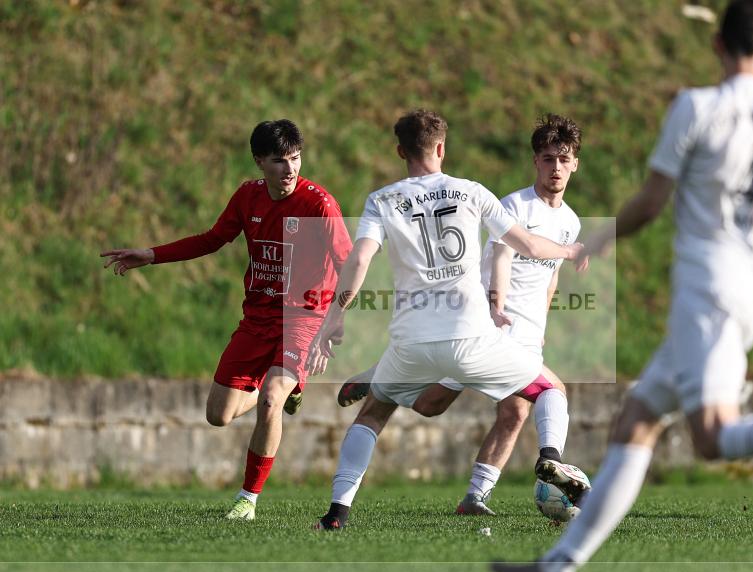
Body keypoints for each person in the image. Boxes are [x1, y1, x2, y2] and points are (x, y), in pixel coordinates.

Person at [492, 0, 753, 572]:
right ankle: (559, 566)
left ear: (718, 46)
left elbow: (652, 200)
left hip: (707, 290)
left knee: (712, 435)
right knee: (635, 421)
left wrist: (597, 240)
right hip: (749, 292)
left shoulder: (695, 107)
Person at [304, 109, 587, 530]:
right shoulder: (473, 192)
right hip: (474, 337)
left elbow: (359, 257)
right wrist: (570, 251)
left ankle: (336, 513)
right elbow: (525, 243)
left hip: (411, 343)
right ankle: (550, 459)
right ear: (441, 148)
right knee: (551, 389)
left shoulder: (382, 199)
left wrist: (334, 318)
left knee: (372, 416)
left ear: (400, 151)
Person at [100, 120, 352, 521]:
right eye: (279, 161)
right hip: (257, 316)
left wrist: (332, 327)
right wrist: (152, 254)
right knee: (218, 415)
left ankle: (247, 499)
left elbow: (349, 265)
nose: (290, 169)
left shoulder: (319, 205)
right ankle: (288, 389)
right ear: (258, 162)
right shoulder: (248, 197)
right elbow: (213, 239)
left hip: (305, 317)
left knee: (270, 399)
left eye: (296, 159)